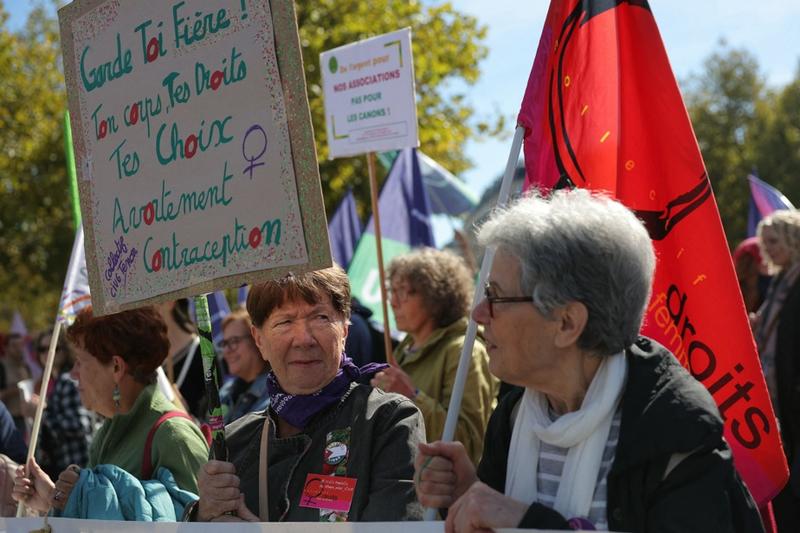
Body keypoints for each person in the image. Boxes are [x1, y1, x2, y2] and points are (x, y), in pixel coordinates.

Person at [415, 189, 764, 532]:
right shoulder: (515, 413)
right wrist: (469, 492)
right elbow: (494, 513)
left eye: (496, 297)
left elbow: (514, 516)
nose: (478, 314)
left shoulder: (675, 432)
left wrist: (526, 523)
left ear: (567, 323)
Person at [191, 266, 425, 522]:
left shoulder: (387, 420)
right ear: (259, 340)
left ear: (345, 329)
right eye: (285, 322)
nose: (304, 339)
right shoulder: (233, 444)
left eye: (320, 318)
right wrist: (202, 517)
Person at [12, 306, 209, 517]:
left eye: (81, 361)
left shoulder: (174, 436)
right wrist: (53, 501)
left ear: (116, 367)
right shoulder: (108, 433)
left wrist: (78, 499)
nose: (73, 373)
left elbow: (196, 524)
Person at [373, 248, 497, 464]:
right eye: (392, 291)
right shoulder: (405, 347)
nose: (393, 302)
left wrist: (411, 396)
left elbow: (469, 443)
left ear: (435, 295)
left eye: (404, 291)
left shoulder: (465, 352)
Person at [752, 210, 800, 531]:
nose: (767, 249)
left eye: (773, 241)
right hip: (779, 391)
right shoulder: (783, 279)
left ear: (792, 240)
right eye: (764, 242)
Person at [22, 330, 93, 481]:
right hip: (60, 469)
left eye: (54, 348)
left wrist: (41, 414)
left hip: (76, 468)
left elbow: (79, 426)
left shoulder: (69, 381)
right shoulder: (50, 383)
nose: (48, 353)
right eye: (42, 349)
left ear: (66, 350)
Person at [218, 308, 270, 424]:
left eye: (233, 341)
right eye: (224, 343)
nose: (226, 351)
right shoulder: (225, 392)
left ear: (256, 340)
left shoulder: (275, 393)